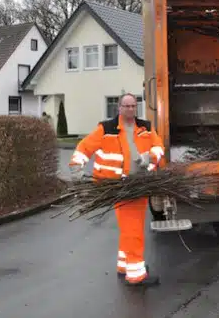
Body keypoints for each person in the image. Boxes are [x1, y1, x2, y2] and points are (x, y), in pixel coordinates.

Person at [69, 93, 166, 286]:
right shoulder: (106, 129)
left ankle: (125, 265)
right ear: (119, 108)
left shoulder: (145, 127)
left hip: (138, 184)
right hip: (118, 186)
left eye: (133, 106)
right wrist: (76, 167)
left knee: (129, 228)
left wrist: (151, 158)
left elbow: (158, 146)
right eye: (126, 106)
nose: (130, 109)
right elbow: (84, 147)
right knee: (133, 230)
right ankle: (136, 275)